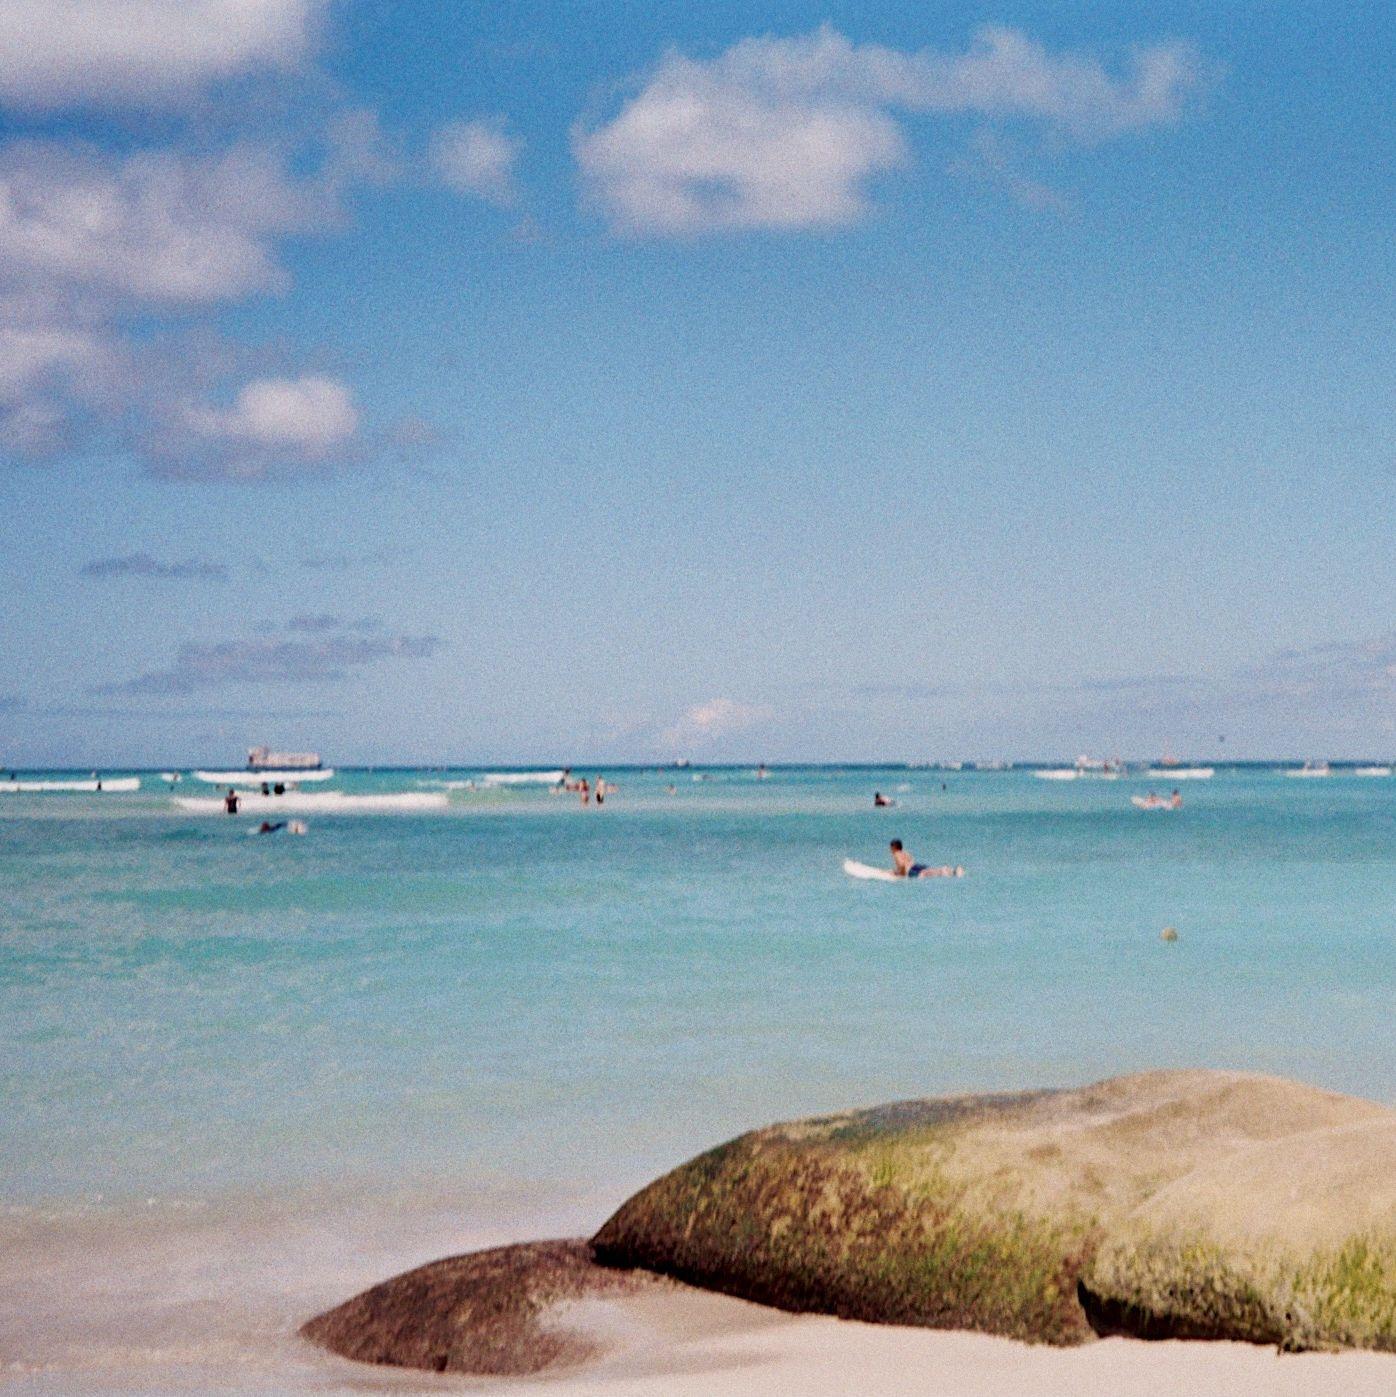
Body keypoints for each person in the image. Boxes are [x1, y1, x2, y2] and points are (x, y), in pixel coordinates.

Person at [890, 839, 963, 879]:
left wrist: (899, 874)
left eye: (891, 848)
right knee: (930, 871)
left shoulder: (896, 854)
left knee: (928, 874)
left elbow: (902, 865)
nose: (890, 850)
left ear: (894, 848)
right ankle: (952, 870)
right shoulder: (905, 852)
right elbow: (911, 860)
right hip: (915, 866)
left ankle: (950, 872)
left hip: (910, 871)